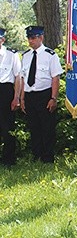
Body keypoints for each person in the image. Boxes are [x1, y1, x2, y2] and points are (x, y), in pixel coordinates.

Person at [20, 26, 63, 163]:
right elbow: (22, 79)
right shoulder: (26, 56)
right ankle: (36, 155)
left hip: (44, 95)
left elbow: (55, 78)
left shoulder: (50, 55)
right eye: (29, 38)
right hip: (29, 95)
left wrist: (53, 98)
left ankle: (48, 157)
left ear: (41, 37)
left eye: (33, 38)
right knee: (34, 127)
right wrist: (22, 98)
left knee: (47, 127)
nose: (30, 41)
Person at [0, 28, 22, 166]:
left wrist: (16, 97)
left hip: (6, 91)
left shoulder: (11, 54)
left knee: (7, 126)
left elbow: (18, 76)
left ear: (2, 40)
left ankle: (9, 159)